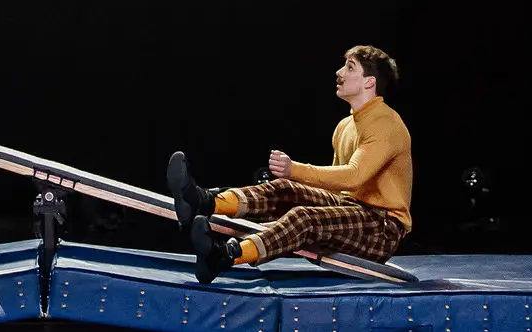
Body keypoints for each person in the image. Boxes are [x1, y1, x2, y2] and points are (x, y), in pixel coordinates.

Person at [166, 45, 412, 282]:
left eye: (349, 67)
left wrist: (295, 169)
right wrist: (287, 197)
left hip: (382, 227)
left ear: (370, 82)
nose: (339, 73)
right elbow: (337, 189)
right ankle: (203, 201)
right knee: (285, 189)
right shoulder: (345, 126)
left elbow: (354, 176)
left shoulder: (385, 124)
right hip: (351, 208)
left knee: (304, 218)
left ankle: (224, 256)